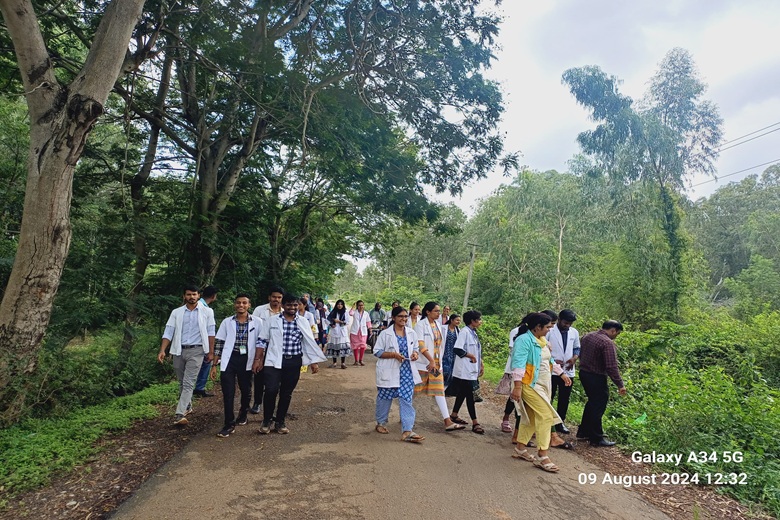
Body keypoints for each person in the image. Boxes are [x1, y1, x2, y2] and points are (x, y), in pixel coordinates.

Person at [252, 293, 326, 434]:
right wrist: (257, 359)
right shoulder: (272, 321)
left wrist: (313, 362)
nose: (292, 308)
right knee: (270, 390)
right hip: (273, 361)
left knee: (286, 393)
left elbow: (309, 342)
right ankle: (267, 420)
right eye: (289, 305)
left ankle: (280, 421)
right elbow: (262, 340)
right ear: (283, 305)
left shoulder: (303, 321)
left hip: (293, 362)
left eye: (295, 305)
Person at [510, 312, 570, 473]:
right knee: (545, 416)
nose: (550, 330)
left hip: (543, 384)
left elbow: (549, 360)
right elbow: (518, 364)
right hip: (528, 384)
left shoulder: (541, 340)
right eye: (547, 327)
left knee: (531, 417)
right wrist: (517, 387)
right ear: (538, 327)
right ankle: (543, 455)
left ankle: (520, 448)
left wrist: (561, 373)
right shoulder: (524, 340)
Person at [157, 285, 216, 425]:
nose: (192, 297)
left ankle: (179, 414)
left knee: (189, 383)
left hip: (197, 351)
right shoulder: (176, 312)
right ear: (184, 296)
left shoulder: (207, 312)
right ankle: (188, 405)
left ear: (198, 296)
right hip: (178, 350)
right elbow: (169, 331)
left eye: (194, 294)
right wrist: (162, 350)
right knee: (182, 381)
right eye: (189, 294)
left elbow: (211, 332)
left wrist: (211, 352)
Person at [373, 305, 425, 443]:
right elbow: (377, 351)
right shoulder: (385, 334)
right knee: (384, 397)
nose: (403, 319)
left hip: (407, 371)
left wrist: (415, 354)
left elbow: (415, 349)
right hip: (389, 370)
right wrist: (393, 355)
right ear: (394, 318)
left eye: (405, 316)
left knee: (406, 399)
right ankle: (381, 423)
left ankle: (407, 430)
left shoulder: (411, 333)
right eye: (400, 316)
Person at [213, 293, 262, 437]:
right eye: (238, 303)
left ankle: (243, 413)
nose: (241, 305)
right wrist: (214, 364)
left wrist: (259, 360)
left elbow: (261, 342)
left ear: (249, 305)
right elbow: (220, 342)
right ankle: (229, 424)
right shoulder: (227, 322)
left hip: (247, 359)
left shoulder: (257, 322)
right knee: (228, 392)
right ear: (235, 305)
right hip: (230, 359)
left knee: (246, 390)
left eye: (244, 303)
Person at [414, 302, 464, 431]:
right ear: (428, 312)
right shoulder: (420, 325)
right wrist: (430, 360)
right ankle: (405, 414)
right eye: (436, 311)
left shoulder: (437, 325)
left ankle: (447, 421)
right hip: (424, 365)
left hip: (436, 366)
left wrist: (436, 361)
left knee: (439, 391)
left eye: (438, 311)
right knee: (413, 391)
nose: (439, 313)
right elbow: (421, 345)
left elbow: (439, 345)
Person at [577, 320, 627, 447]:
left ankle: (583, 431)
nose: (616, 336)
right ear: (613, 330)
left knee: (592, 402)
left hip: (584, 373)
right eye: (617, 333)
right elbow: (611, 366)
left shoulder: (588, 336)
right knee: (598, 405)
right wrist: (620, 384)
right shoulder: (607, 342)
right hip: (596, 376)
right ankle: (596, 437)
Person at [249, 285, 284, 415]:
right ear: (269, 297)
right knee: (259, 375)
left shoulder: (284, 312)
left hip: (277, 347)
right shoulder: (260, 310)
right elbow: (253, 327)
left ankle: (272, 405)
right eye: (274, 297)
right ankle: (257, 402)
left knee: (275, 377)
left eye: (279, 297)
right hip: (261, 345)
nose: (276, 299)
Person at [449, 310, 484, 434]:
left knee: (463, 393)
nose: (480, 322)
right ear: (472, 321)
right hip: (464, 370)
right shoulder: (464, 332)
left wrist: (481, 363)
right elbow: (457, 349)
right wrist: (470, 356)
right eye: (479, 319)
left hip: (471, 369)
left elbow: (477, 350)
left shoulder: (473, 333)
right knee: (469, 394)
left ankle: (454, 414)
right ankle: (475, 422)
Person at [548, 308, 580, 434]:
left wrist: (574, 358)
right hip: (552, 370)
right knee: (549, 396)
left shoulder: (574, 332)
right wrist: (554, 360)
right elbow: (543, 348)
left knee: (564, 398)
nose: (567, 326)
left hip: (568, 370)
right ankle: (549, 422)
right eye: (565, 323)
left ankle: (560, 422)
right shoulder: (550, 331)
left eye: (570, 324)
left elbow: (577, 347)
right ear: (559, 320)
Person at [194, 285, 218, 398]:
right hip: (200, 343)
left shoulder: (195, 305)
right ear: (214, 296)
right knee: (206, 363)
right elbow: (211, 331)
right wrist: (211, 351)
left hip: (192, 343)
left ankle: (198, 388)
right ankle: (199, 388)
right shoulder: (207, 309)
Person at [326, 299, 351, 368]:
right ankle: (334, 363)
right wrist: (331, 324)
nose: (339, 306)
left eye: (341, 304)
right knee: (334, 346)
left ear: (343, 305)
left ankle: (343, 363)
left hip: (342, 332)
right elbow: (327, 320)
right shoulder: (333, 312)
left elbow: (347, 322)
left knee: (342, 347)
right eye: (338, 304)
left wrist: (339, 321)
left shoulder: (345, 312)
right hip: (334, 331)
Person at [441, 313, 460, 392]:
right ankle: (439, 386)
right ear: (451, 320)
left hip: (453, 354)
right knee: (444, 370)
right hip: (444, 352)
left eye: (459, 320)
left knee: (451, 371)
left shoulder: (458, 330)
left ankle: (446, 389)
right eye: (457, 320)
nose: (458, 322)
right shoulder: (443, 328)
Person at [349, 300, 372, 366]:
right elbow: (350, 313)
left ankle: (361, 360)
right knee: (355, 346)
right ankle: (356, 360)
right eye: (359, 305)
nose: (361, 307)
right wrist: (353, 307)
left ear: (364, 306)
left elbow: (368, 322)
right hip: (355, 331)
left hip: (363, 332)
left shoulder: (366, 313)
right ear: (357, 306)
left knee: (363, 346)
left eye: (362, 305)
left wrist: (370, 329)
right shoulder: (355, 312)